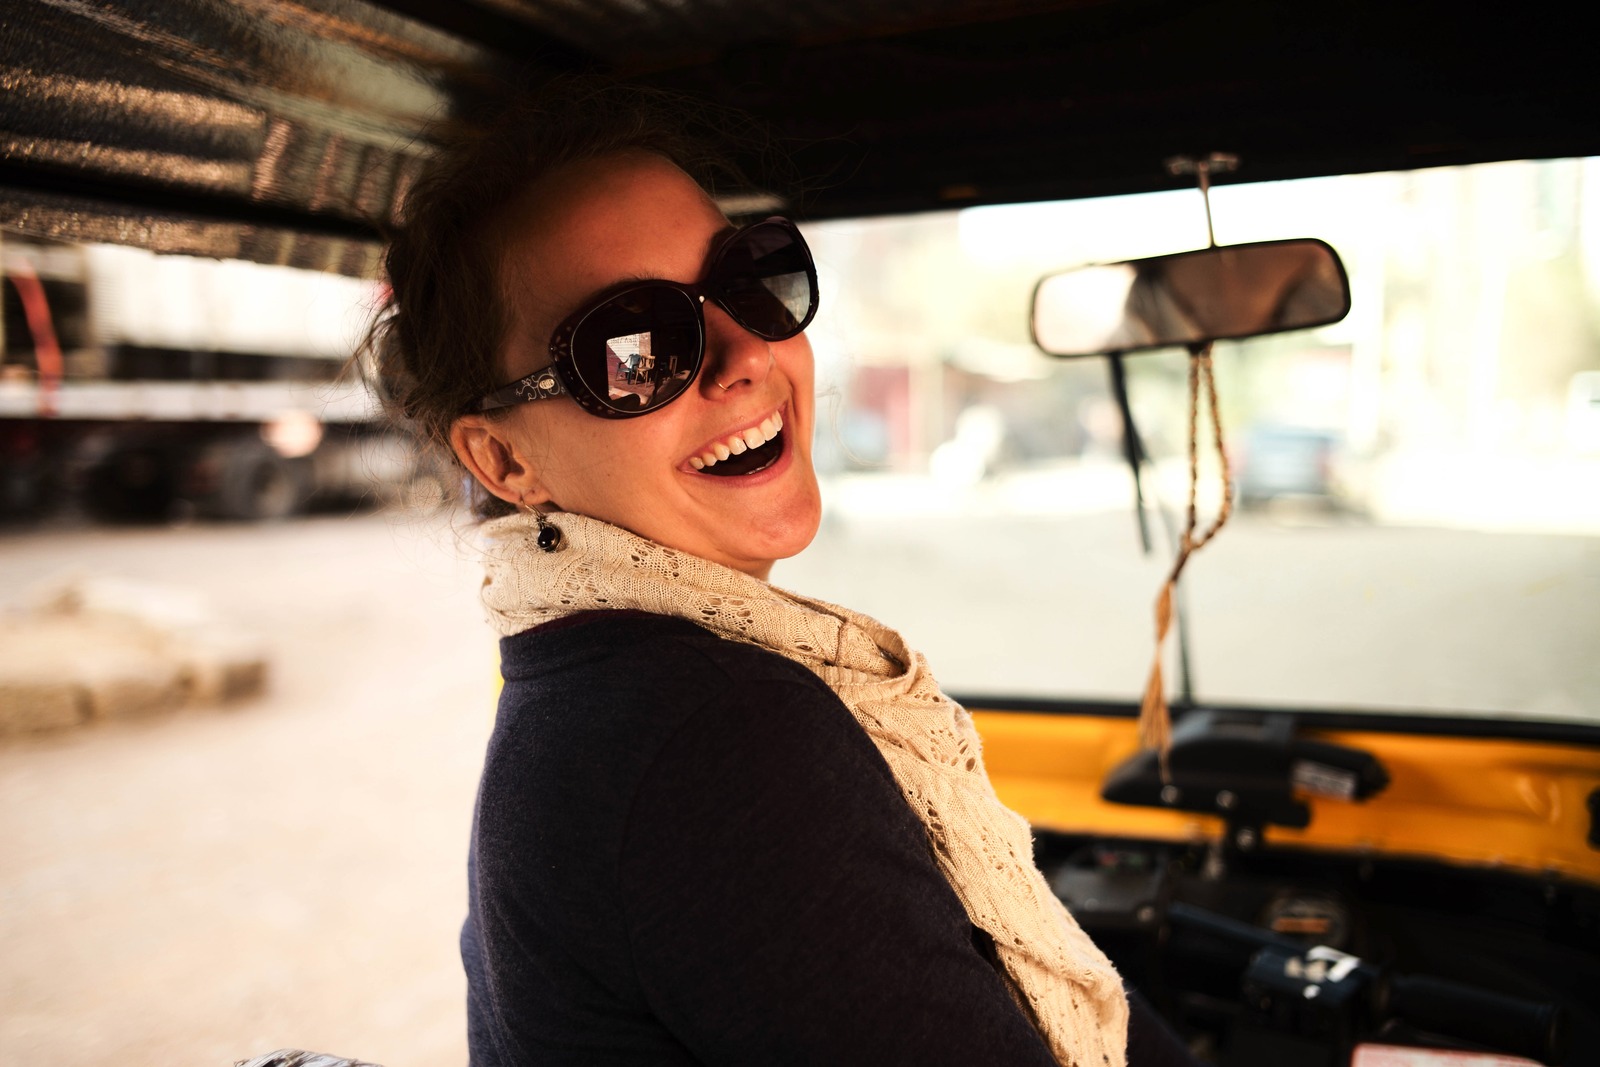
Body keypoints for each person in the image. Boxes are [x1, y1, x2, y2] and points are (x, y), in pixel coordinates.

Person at [370, 82, 1198, 1067]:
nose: (743, 354)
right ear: (505, 463)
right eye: (635, 348)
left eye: (749, 280)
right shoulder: (711, 730)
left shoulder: (598, 683)